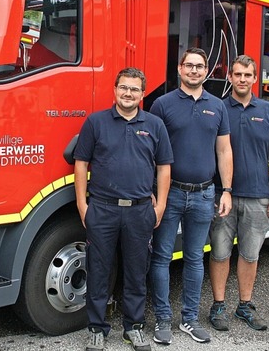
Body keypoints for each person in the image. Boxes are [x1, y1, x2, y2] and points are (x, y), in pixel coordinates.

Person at [74, 67, 173, 351]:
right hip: (102, 209)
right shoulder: (96, 122)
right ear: (115, 90)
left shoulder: (154, 125)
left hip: (140, 211)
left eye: (134, 89)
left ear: (143, 94)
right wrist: (83, 204)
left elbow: (164, 167)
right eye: (123, 88)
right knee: (98, 270)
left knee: (136, 272)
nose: (128, 93)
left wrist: (161, 205)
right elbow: (81, 163)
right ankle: (97, 328)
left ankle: (134, 327)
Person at [148, 47, 233, 345]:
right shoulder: (162, 105)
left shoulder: (217, 106)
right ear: (180, 70)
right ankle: (162, 320)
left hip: (203, 194)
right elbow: (151, 152)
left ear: (206, 71)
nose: (194, 71)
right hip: (169, 194)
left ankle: (189, 320)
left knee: (195, 258)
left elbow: (224, 150)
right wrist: (153, 194)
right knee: (161, 257)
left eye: (200, 66)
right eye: (189, 65)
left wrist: (226, 191)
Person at [208, 54, 269, 332]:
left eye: (247, 75)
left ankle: (244, 306)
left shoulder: (268, 112)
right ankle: (218, 306)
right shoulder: (217, 108)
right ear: (230, 77)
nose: (242, 79)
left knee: (250, 254)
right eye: (237, 74)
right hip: (222, 195)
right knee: (219, 252)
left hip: (257, 196)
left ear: (255, 79)